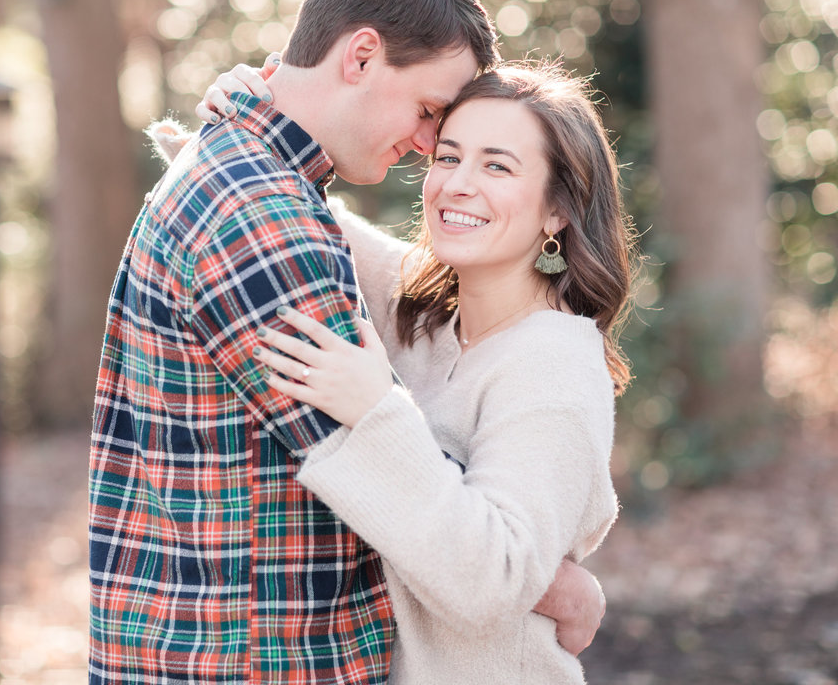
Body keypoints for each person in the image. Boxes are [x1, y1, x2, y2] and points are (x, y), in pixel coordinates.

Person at [90, 0, 601, 684]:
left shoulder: (267, 196)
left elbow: (405, 478)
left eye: (494, 162)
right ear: (360, 57)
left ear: (558, 209)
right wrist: (558, 583)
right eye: (436, 121)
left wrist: (243, 111)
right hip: (245, 662)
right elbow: (390, 483)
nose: (433, 153)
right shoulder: (265, 219)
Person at [186, 58, 635, 682]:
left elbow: (493, 581)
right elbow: (276, 216)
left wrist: (376, 414)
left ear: (557, 210)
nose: (457, 184)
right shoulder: (421, 312)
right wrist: (249, 110)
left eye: (498, 165)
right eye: (448, 157)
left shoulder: (553, 364)